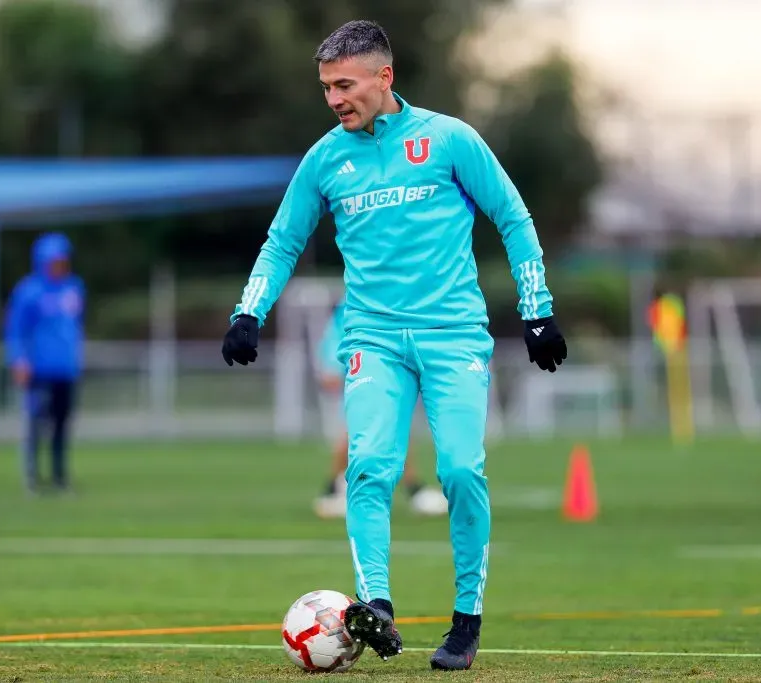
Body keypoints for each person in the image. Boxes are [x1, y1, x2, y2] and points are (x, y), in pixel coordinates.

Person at [221, 20, 566, 670]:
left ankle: (466, 621)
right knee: (370, 466)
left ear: (385, 76)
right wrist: (248, 312)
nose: (333, 99)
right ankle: (375, 603)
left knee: (462, 469)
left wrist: (537, 311)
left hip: (454, 335)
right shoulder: (325, 158)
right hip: (372, 339)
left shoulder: (448, 139)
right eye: (325, 87)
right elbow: (283, 239)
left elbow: (514, 217)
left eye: (343, 84)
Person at [314, 296, 448, 519]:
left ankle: (412, 488)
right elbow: (336, 333)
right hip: (364, 367)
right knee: (358, 430)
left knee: (396, 427)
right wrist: (331, 367)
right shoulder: (355, 298)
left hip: (389, 366)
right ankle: (335, 488)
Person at [3, 232, 85, 495]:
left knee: (62, 424)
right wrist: (19, 360)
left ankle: (60, 477)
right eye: (55, 260)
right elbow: (16, 329)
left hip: (66, 369)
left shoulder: (74, 288)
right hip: (38, 370)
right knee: (35, 423)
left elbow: (74, 327)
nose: (60, 264)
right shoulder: (29, 291)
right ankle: (32, 476)